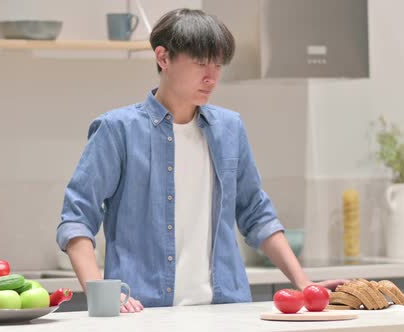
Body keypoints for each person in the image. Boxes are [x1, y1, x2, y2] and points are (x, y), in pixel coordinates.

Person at [56, 8, 345, 313]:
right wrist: (101, 294)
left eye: (218, 65)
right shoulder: (117, 131)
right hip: (144, 314)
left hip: (225, 310)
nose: (212, 77)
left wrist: (305, 285)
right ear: (163, 58)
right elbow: (77, 219)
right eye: (200, 63)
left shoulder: (229, 129)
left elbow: (256, 214)